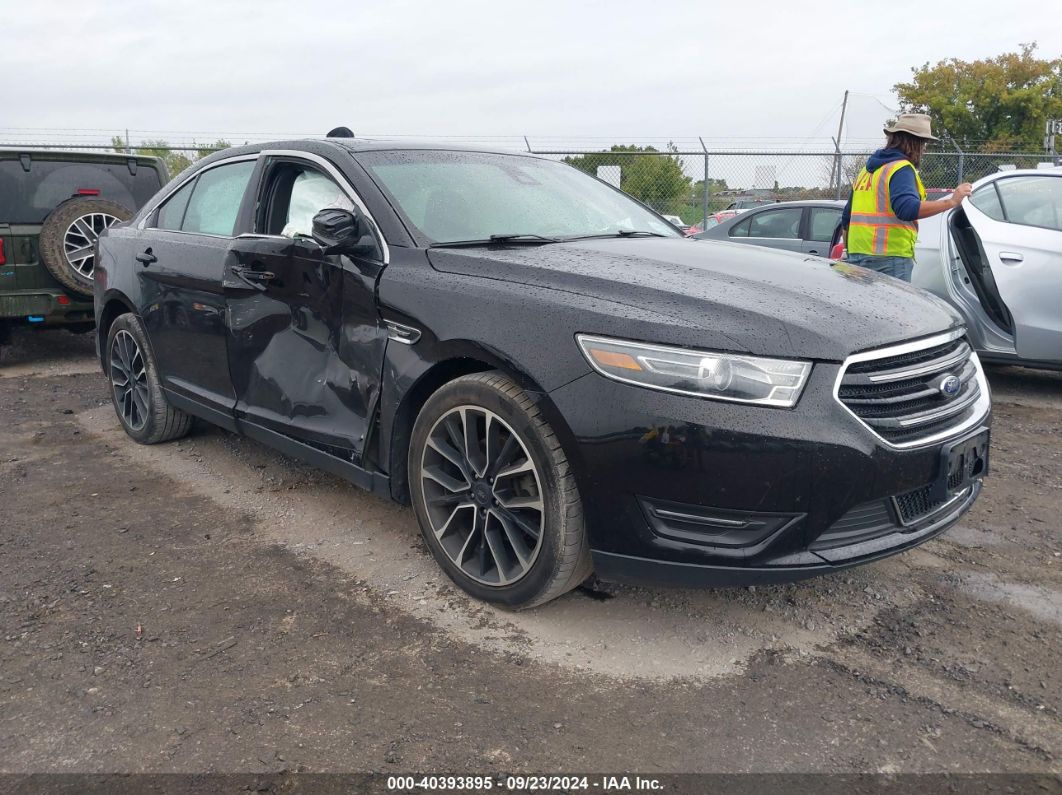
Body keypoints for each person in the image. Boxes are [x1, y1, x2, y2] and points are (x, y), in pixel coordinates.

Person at [840, 113, 972, 282]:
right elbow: (907, 209)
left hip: (857, 257)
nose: (924, 149)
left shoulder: (866, 172)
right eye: (923, 143)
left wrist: (851, 252)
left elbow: (846, 218)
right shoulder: (901, 169)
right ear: (913, 142)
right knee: (895, 308)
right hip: (890, 259)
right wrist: (952, 201)